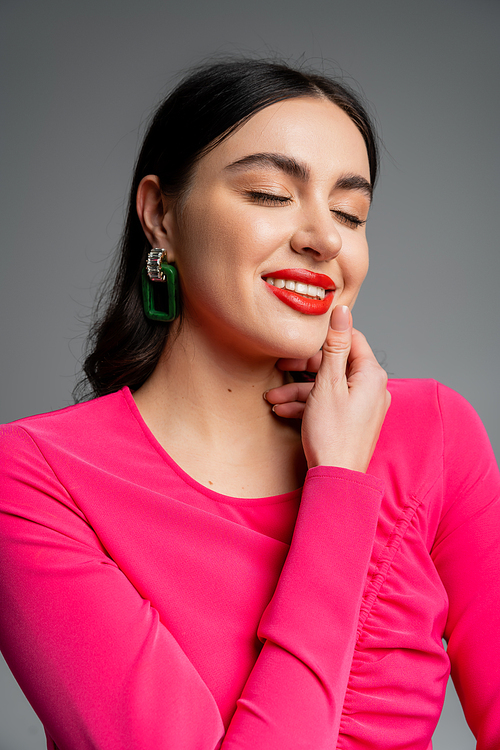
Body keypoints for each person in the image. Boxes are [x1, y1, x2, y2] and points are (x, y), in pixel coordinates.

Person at [0, 58, 499, 750]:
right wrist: (340, 488)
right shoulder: (33, 478)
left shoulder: (431, 433)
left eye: (351, 212)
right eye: (269, 193)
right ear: (160, 216)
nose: (324, 238)